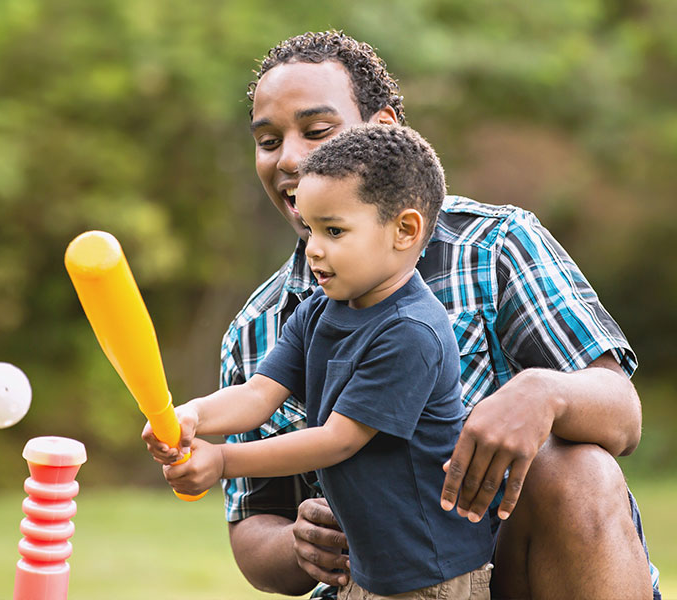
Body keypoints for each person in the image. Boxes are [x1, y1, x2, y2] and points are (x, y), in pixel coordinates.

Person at [150, 31, 660, 600]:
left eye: (317, 131)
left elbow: (622, 417)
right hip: (375, 581)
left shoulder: (494, 247)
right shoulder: (263, 323)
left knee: (578, 470)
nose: (290, 157)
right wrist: (296, 541)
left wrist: (545, 393)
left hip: (515, 568)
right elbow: (253, 524)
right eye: (269, 140)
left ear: (384, 129)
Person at [147, 123, 495, 598]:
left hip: (431, 571)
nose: (313, 247)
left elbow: (338, 440)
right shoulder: (319, 309)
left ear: (405, 230)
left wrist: (223, 459)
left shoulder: (411, 331)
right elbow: (257, 394)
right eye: (310, 228)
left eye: (334, 230)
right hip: (367, 567)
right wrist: (192, 415)